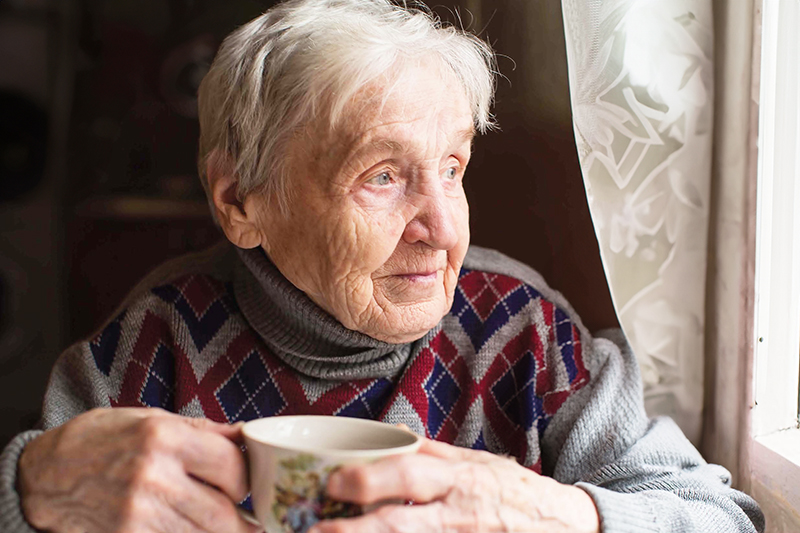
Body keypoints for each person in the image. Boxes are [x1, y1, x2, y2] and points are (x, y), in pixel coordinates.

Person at [0, 1, 765, 532]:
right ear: (240, 203)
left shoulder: (524, 332)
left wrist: (552, 512)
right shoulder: (153, 344)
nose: (441, 229)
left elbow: (721, 518)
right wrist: (30, 487)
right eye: (383, 177)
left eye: (454, 169)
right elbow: (40, 494)